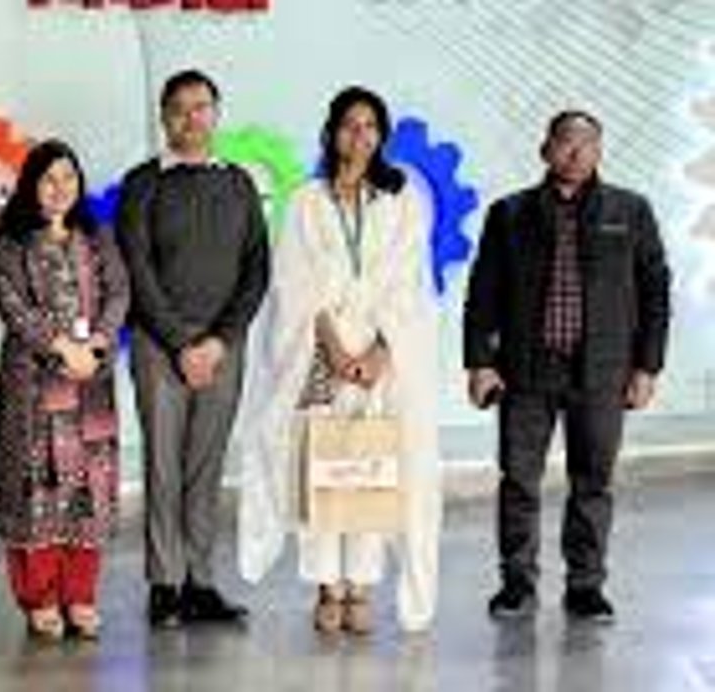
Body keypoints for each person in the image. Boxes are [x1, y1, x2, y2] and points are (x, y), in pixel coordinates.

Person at [234, 87, 442, 635]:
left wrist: (378, 351)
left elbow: (409, 287)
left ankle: (362, 584)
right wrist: (333, 347)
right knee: (323, 465)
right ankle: (327, 584)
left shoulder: (401, 201)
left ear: (382, 135)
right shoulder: (307, 200)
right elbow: (293, 283)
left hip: (381, 359)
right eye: (350, 125)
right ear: (332, 132)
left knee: (374, 465)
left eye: (371, 126)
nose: (360, 136)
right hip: (319, 355)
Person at [464, 110, 671, 624]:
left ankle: (585, 587)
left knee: (593, 482)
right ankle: (517, 584)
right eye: (566, 142)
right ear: (546, 149)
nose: (576, 152)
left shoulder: (630, 210)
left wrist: (647, 367)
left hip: (602, 372)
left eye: (587, 143)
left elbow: (655, 292)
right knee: (519, 480)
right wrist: (480, 363)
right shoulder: (509, 213)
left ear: (599, 152)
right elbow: (483, 294)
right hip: (526, 371)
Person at [116, 69, 269, 628]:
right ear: (164, 117)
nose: (190, 118)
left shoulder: (239, 183)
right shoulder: (142, 183)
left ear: (216, 113)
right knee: (163, 464)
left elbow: (256, 269)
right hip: (160, 347)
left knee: (206, 465)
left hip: (223, 349)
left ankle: (199, 582)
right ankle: (164, 584)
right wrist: (182, 343)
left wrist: (220, 340)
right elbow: (136, 269)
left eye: (201, 106)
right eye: (179, 108)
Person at [0, 139, 129, 641]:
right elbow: (12, 304)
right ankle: (40, 598)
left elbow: (119, 293)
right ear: (31, 185)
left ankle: (80, 595)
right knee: (37, 489)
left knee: (88, 489)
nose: (59, 187)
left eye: (68, 177)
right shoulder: (11, 241)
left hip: (91, 384)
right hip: (32, 386)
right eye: (48, 179)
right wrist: (61, 347)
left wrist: (98, 342)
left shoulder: (98, 237)